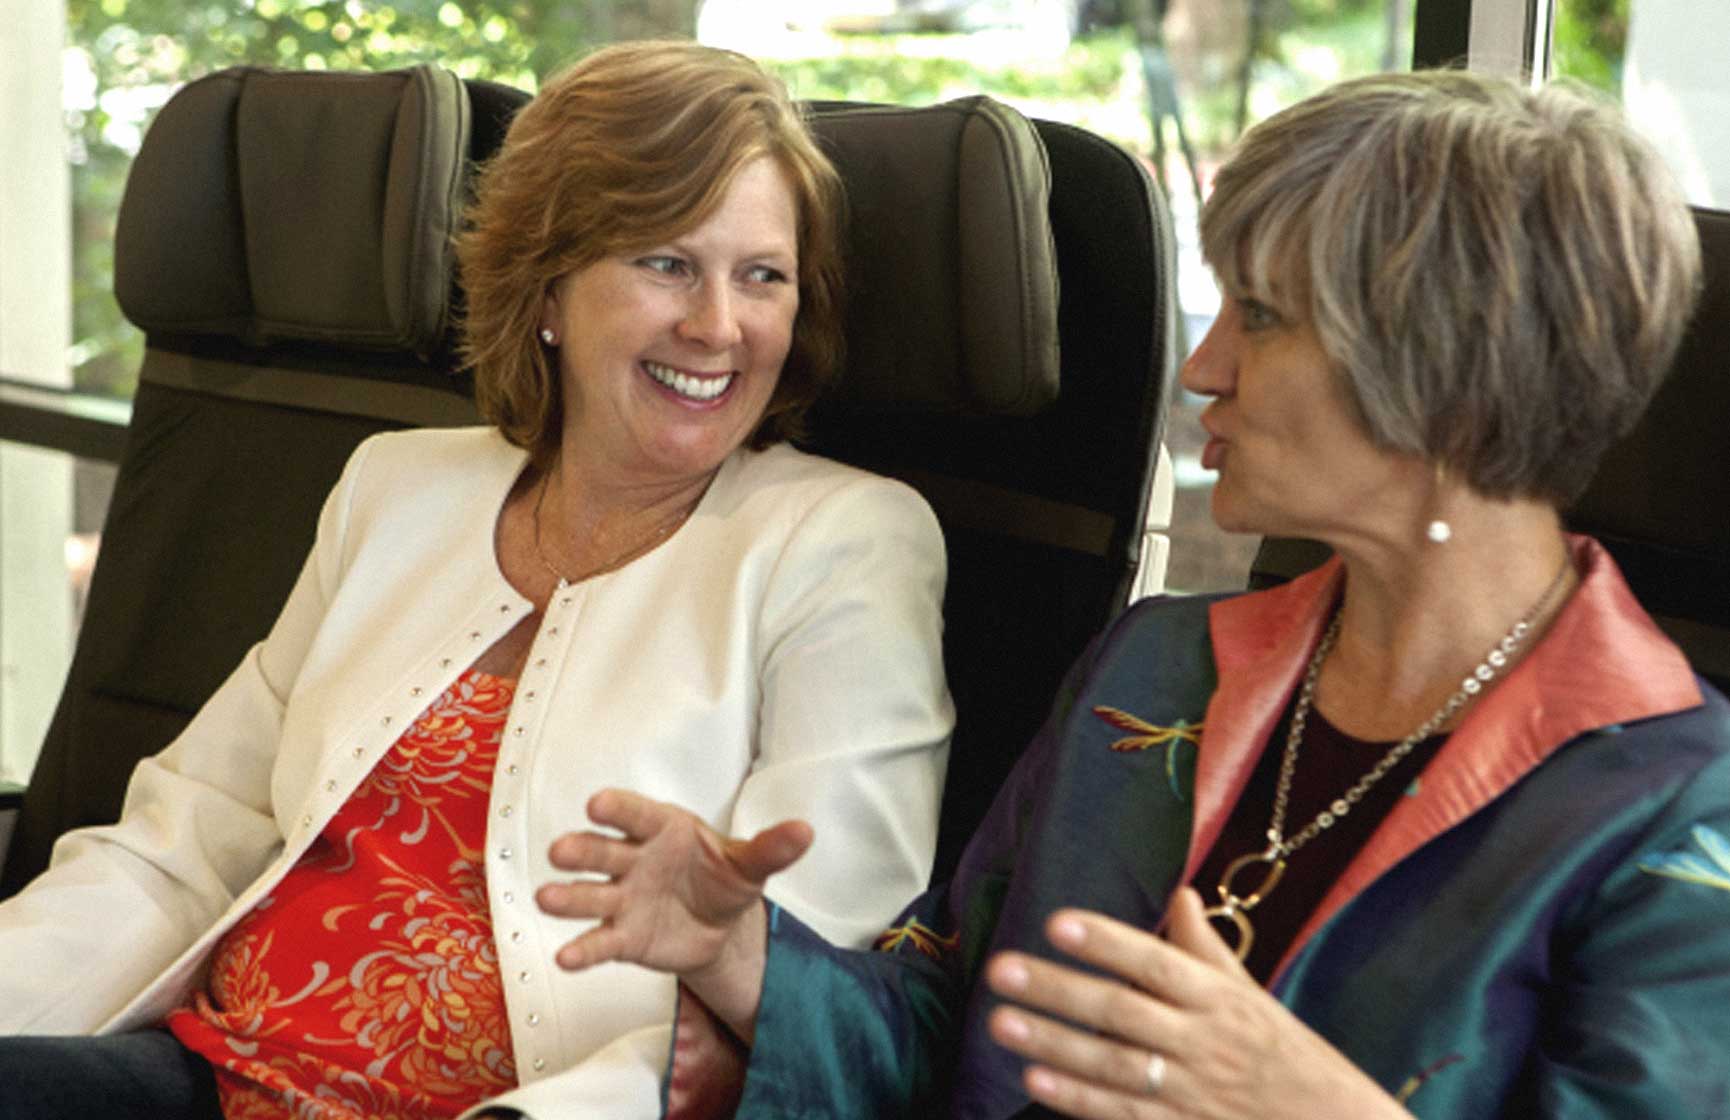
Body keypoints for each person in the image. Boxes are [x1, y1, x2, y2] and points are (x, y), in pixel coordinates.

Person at [538, 70, 1730, 1118]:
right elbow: (939, 1037)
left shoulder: (1672, 811)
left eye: (1257, 318)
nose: (1203, 370)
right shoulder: (1157, 667)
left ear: (1443, 373)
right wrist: (739, 949)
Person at [0, 41, 953, 1120]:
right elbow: (184, 841)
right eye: (665, 263)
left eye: (762, 276)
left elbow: (811, 993)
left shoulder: (845, 542)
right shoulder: (394, 487)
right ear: (546, 285)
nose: (718, 325)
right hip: (212, 1072)